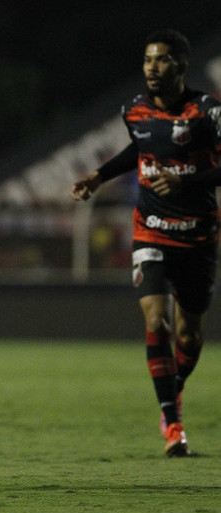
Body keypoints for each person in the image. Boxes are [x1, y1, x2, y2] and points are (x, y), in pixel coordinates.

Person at [71, 29, 221, 457]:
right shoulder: (133, 110)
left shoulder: (205, 111)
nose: (152, 67)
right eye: (148, 60)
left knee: (189, 336)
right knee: (157, 320)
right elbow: (139, 148)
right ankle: (173, 422)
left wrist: (186, 179)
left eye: (161, 60)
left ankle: (173, 391)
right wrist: (99, 177)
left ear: (181, 66)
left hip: (197, 234)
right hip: (151, 228)